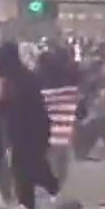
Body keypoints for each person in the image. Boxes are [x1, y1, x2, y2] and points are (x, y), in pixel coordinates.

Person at [0, 42, 60, 209]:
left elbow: (19, 105)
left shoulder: (22, 79)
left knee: (32, 165)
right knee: (22, 168)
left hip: (32, 130)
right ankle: (27, 204)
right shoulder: (14, 79)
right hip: (22, 130)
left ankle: (53, 187)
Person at [38, 47, 80, 185]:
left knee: (50, 159)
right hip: (65, 129)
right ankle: (58, 185)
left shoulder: (39, 84)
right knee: (62, 159)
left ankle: (52, 186)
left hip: (47, 131)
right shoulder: (69, 82)